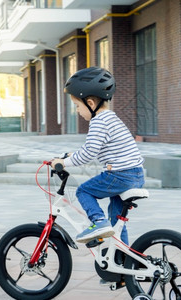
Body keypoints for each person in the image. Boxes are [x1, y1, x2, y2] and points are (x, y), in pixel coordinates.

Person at [51, 67, 144, 245]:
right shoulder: (111, 118)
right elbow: (94, 148)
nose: (78, 110)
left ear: (91, 103)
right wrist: (71, 155)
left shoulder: (98, 122)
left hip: (120, 175)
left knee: (83, 191)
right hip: (135, 174)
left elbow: (88, 154)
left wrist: (64, 162)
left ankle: (99, 222)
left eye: (78, 106)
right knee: (117, 223)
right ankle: (122, 261)